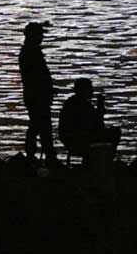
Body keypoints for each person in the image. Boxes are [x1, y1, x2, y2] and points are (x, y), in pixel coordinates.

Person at [19, 21, 58, 166]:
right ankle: (44, 157)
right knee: (40, 126)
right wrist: (46, 90)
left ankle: (39, 156)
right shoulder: (31, 52)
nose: (42, 37)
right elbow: (36, 77)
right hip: (37, 97)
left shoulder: (30, 51)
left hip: (36, 95)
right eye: (39, 34)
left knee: (39, 126)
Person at [58, 78, 121, 162]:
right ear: (83, 90)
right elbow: (97, 124)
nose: (92, 91)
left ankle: (101, 161)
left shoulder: (75, 102)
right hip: (77, 140)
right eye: (90, 89)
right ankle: (104, 162)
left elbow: (96, 124)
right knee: (115, 133)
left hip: (75, 138)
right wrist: (100, 108)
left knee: (111, 132)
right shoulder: (80, 105)